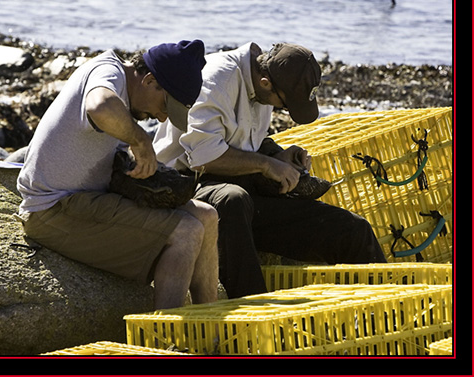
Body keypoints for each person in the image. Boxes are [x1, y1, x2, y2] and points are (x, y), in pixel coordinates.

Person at [153, 42, 387, 299]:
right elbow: (203, 156)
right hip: (186, 185)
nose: (282, 110)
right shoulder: (216, 79)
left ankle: (387, 311)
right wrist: (267, 164)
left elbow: (242, 138)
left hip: (241, 188)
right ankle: (253, 314)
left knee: (353, 230)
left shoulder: (265, 80)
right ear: (265, 82)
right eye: (285, 105)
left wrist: (277, 154)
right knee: (233, 200)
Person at [16, 40, 219, 310]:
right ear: (148, 80)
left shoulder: (123, 86)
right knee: (186, 232)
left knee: (207, 217)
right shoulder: (107, 72)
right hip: (53, 207)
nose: (160, 118)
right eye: (165, 106)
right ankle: (168, 341)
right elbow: (99, 107)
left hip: (88, 199)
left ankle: (212, 330)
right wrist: (140, 141)